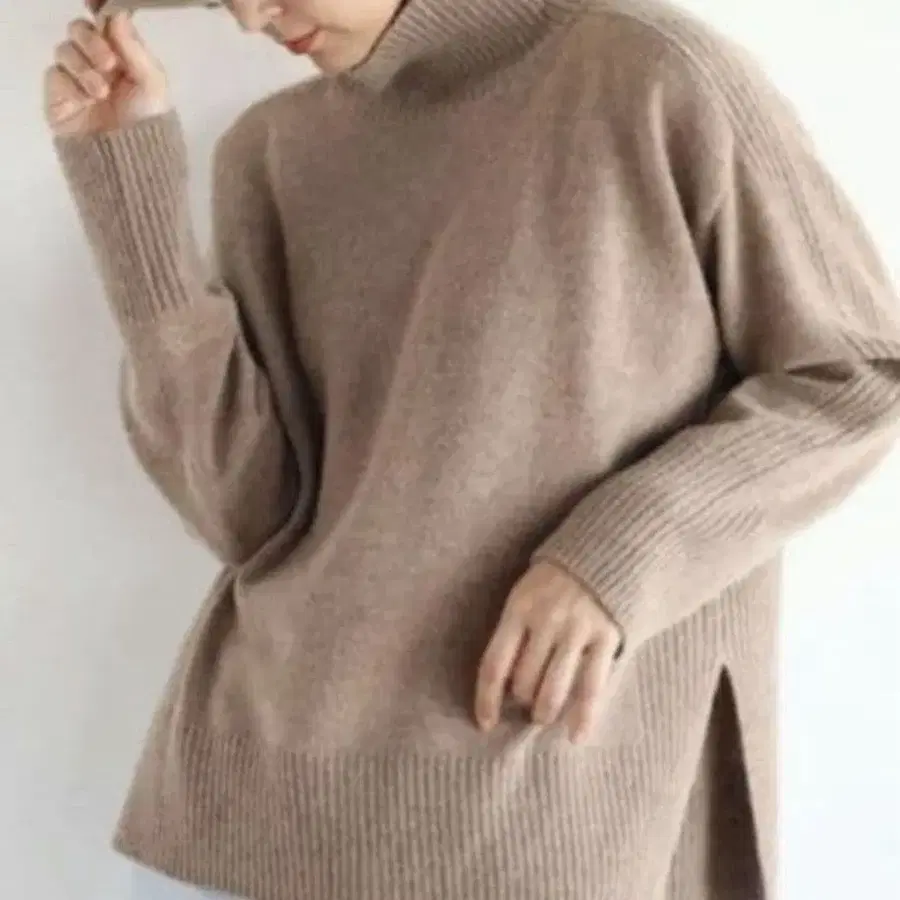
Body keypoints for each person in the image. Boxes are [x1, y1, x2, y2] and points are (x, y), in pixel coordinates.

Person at [45, 0, 900, 898]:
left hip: (536, 814)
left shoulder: (646, 73)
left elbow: (856, 375)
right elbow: (247, 510)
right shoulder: (271, 152)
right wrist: (126, 184)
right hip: (251, 811)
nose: (253, 19)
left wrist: (617, 556)